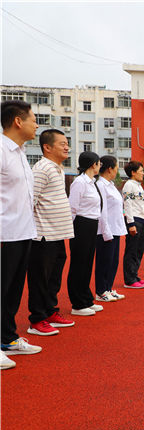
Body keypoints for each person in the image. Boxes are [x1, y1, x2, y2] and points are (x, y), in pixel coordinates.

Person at [1, 100, 42, 368]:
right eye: (33, 119)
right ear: (18, 121)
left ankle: (7, 338)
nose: (36, 124)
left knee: (13, 290)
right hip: (5, 231)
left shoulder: (21, 153)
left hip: (23, 231)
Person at [26, 129, 75, 337]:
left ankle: (50, 311)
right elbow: (30, 201)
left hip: (57, 234)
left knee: (53, 278)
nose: (66, 147)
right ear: (47, 147)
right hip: (43, 235)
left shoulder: (57, 168)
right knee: (40, 278)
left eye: (67, 143)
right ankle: (36, 319)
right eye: (62, 144)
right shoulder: (42, 169)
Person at [67, 151, 104, 316]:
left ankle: (86, 298)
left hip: (91, 224)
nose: (100, 166)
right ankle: (77, 303)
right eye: (98, 163)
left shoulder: (92, 182)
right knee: (79, 264)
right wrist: (71, 230)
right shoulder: (80, 182)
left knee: (88, 262)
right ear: (92, 164)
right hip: (80, 224)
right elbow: (72, 208)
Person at [94, 155, 127, 302]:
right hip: (105, 230)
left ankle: (108, 288)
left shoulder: (111, 184)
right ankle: (101, 291)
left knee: (113, 261)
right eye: (116, 168)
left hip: (116, 228)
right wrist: (106, 230)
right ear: (109, 169)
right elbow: (102, 210)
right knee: (104, 261)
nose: (117, 171)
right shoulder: (100, 185)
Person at [122, 161, 144, 288]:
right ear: (133, 172)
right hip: (135, 220)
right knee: (132, 251)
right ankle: (129, 279)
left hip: (142, 219)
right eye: (141, 171)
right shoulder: (129, 185)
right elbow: (127, 204)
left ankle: (135, 275)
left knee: (139, 250)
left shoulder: (138, 186)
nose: (143, 173)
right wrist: (131, 223)